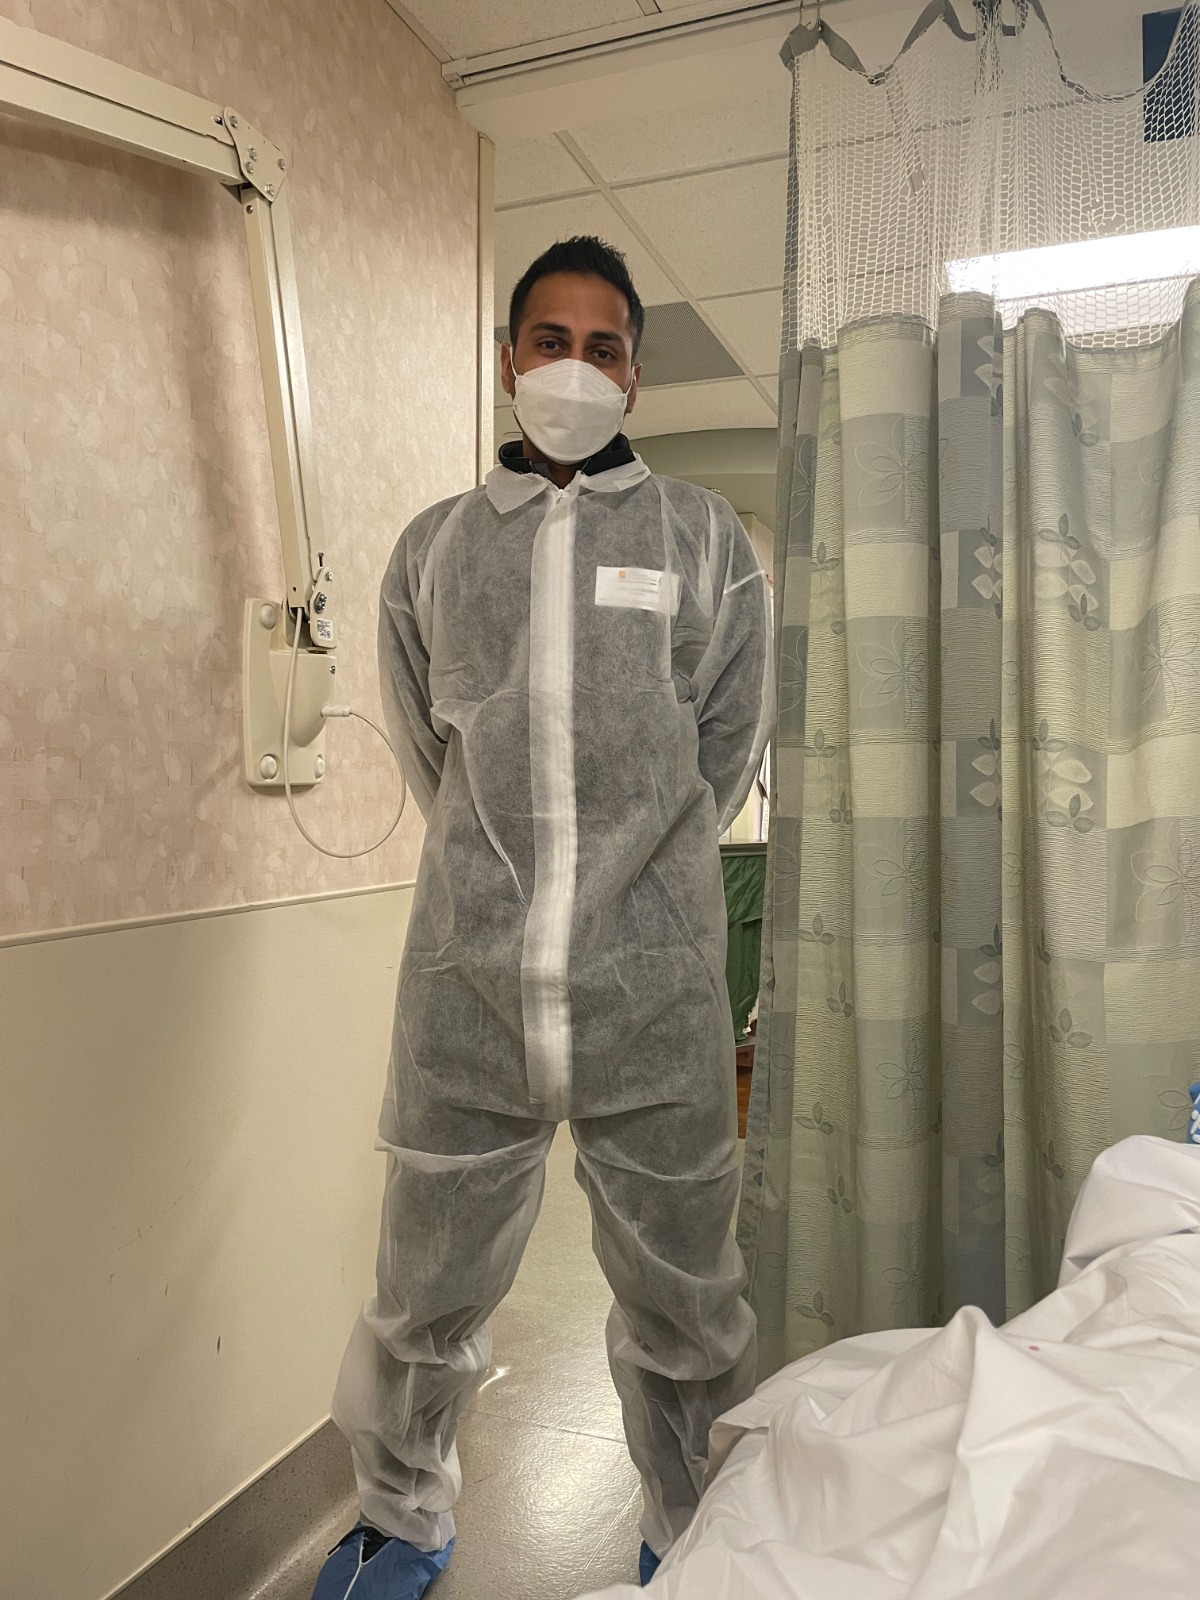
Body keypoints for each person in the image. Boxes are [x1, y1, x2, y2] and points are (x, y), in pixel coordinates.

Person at [312, 235, 774, 1600]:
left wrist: (630, 885)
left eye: (604, 347)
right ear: (509, 358)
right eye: (550, 341)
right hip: (472, 988)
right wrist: (510, 891)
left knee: (688, 1304)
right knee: (422, 1296)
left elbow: (726, 752)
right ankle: (399, 1519)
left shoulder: (705, 542)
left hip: (653, 991)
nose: (574, 367)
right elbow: (433, 759)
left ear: (636, 375)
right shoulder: (435, 550)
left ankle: (693, 1536)